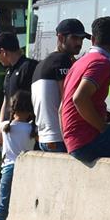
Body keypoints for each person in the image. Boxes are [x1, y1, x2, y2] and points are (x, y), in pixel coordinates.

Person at [60, 16, 110, 162]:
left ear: (92, 39)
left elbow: (61, 108)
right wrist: (103, 128)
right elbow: (79, 98)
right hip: (87, 141)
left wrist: (68, 143)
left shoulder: (79, 63)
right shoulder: (101, 62)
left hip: (72, 142)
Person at [31, 19, 87, 152]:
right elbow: (69, 100)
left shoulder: (42, 64)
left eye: (81, 39)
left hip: (45, 138)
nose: (79, 43)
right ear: (60, 38)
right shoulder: (62, 60)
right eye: (74, 38)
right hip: (60, 137)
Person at [0, 90, 37, 220]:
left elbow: (2, 119)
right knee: (25, 206)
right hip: (26, 172)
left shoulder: (5, 127)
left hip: (8, 171)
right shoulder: (32, 130)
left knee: (2, 206)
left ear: (13, 108)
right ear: (30, 110)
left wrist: (5, 101)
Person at [0, 32, 38, 147]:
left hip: (27, 133)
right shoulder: (9, 72)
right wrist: (0, 130)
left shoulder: (29, 67)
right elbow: (6, 100)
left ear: (3, 52)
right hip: (10, 132)